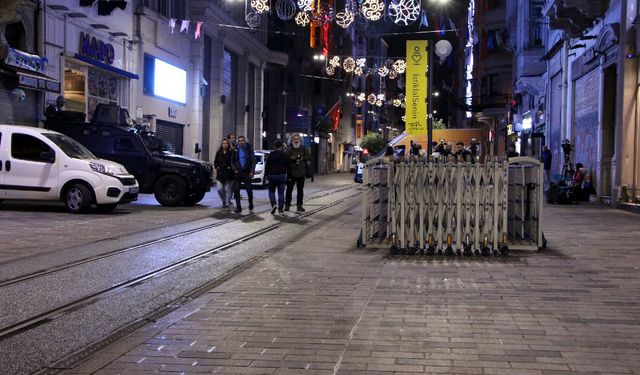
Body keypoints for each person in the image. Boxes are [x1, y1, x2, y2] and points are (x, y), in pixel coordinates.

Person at [285, 133, 311, 212]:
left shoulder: (303, 148)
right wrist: (291, 158)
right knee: (289, 190)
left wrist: (302, 158)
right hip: (291, 173)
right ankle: (287, 205)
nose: (296, 140)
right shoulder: (289, 148)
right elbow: (285, 158)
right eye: (294, 139)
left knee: (300, 190)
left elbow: (309, 157)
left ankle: (299, 206)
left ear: (300, 140)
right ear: (291, 140)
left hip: (301, 172)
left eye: (297, 139)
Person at [230, 135, 256, 213]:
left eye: (242, 140)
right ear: (238, 141)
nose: (241, 142)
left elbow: (253, 160)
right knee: (236, 190)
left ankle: (250, 203)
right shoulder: (235, 149)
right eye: (240, 140)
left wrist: (252, 171)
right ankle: (239, 208)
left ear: (245, 141)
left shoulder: (249, 148)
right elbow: (232, 161)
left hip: (246, 172)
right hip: (238, 172)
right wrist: (234, 169)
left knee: (249, 191)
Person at [265, 140, 289, 214]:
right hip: (282, 175)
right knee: (281, 193)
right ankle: (280, 209)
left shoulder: (271, 155)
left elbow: (267, 166)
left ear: (274, 147)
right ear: (282, 147)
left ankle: (274, 204)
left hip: (273, 175)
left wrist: (266, 175)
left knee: (271, 191)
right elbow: (288, 165)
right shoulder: (285, 155)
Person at [214, 139, 234, 210]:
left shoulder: (231, 152)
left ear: (228, 144)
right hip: (220, 174)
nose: (224, 145)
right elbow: (215, 162)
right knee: (219, 189)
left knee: (227, 189)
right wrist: (217, 167)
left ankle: (227, 205)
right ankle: (224, 201)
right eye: (223, 143)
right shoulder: (218, 152)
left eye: (226, 143)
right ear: (221, 144)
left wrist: (230, 168)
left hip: (229, 174)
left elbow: (233, 162)